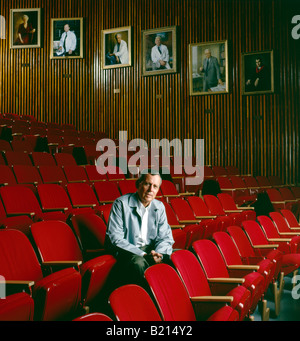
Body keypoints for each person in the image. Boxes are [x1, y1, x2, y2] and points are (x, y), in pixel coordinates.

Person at [105, 171, 174, 288]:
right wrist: (143, 254)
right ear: (138, 185)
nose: (150, 189)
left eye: (155, 186)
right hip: (128, 251)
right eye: (147, 184)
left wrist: (160, 254)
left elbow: (165, 236)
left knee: (178, 256)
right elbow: (115, 238)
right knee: (139, 263)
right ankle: (147, 300)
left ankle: (170, 297)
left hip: (152, 250)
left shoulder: (159, 206)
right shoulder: (121, 203)